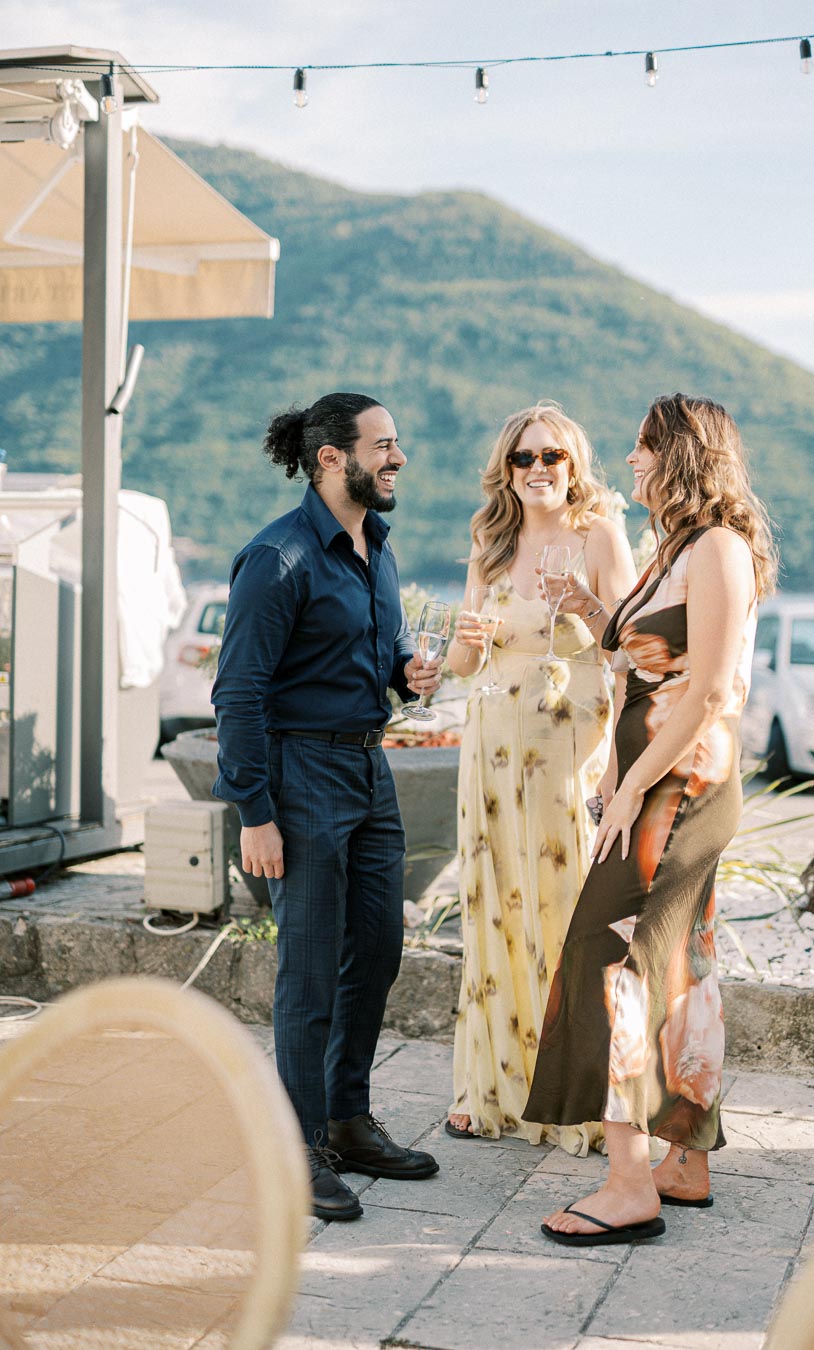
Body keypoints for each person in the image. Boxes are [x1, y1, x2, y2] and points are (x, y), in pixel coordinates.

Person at [522, 393, 777, 1245]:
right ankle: (685, 1161)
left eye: (643, 448)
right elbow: (639, 656)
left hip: (681, 788)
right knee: (681, 965)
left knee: (612, 953)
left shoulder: (719, 548)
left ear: (686, 456)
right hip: (650, 782)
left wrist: (629, 789)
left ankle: (628, 1182)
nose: (630, 461)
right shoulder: (673, 551)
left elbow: (704, 692)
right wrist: (589, 612)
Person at [211, 392, 443, 1223]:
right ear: (330, 459)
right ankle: (293, 1143)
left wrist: (404, 669)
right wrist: (255, 812)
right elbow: (237, 692)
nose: (398, 457)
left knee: (377, 948)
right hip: (299, 776)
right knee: (308, 973)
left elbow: (372, 650)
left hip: (369, 772)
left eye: (397, 442)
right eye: (384, 444)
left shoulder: (374, 546)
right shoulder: (277, 558)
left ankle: (347, 1122)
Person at [445, 401, 637, 1153]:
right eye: (523, 459)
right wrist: (464, 640)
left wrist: (584, 606)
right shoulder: (490, 543)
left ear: (573, 464)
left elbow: (632, 648)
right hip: (489, 750)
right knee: (495, 904)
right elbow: (463, 666)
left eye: (551, 457)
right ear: (506, 470)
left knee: (563, 909)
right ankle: (490, 1086)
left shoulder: (598, 534)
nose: (537, 471)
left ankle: (581, 1097)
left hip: (568, 748)